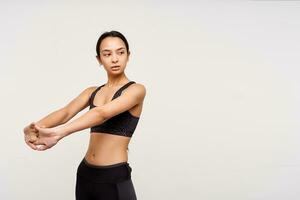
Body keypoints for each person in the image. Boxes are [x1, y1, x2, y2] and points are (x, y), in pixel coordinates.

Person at [23, 30, 146, 200]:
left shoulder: (136, 90)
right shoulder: (92, 92)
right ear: (99, 59)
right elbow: (65, 112)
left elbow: (101, 113)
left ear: (128, 55)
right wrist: (35, 128)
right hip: (85, 175)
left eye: (120, 52)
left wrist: (59, 132)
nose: (115, 59)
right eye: (107, 54)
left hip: (114, 177)